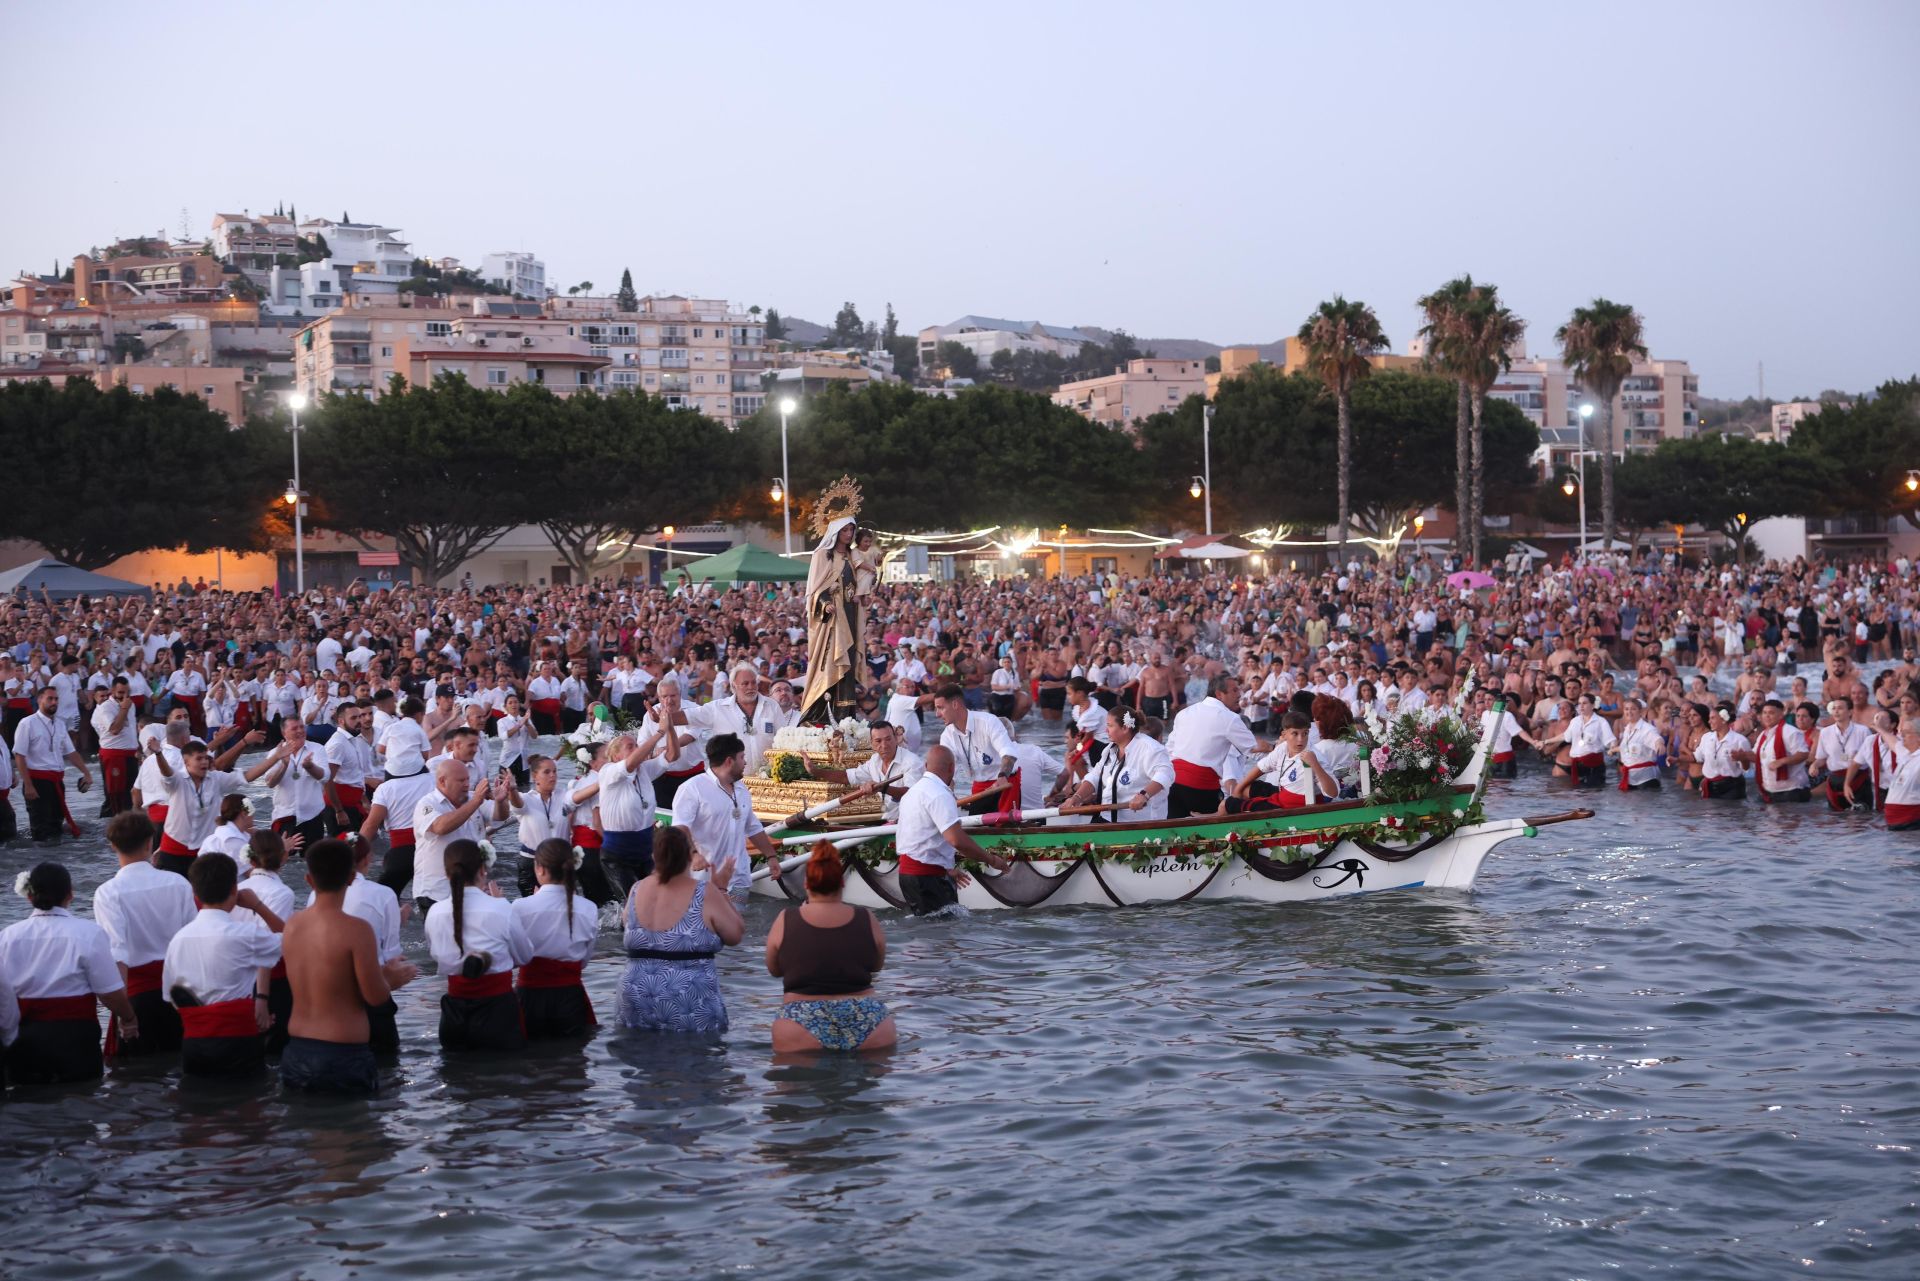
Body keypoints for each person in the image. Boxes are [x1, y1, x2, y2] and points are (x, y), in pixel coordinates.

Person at [282, 837, 417, 1095]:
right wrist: (391, 978)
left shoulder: (293, 926)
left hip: (297, 1050)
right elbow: (374, 996)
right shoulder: (357, 930)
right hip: (342, 1053)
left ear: (309, 880)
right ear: (351, 878)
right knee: (357, 1131)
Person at [1, 862, 139, 1084]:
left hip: (25, 1039)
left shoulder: (7, 937)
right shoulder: (89, 934)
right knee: (82, 1100)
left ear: (29, 896)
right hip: (76, 1038)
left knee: (28, 1103)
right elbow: (109, 993)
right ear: (70, 895)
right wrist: (129, 1018)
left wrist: (8, 1037)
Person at [163, 854, 285, 1078]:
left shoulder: (178, 940)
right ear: (234, 890)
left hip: (194, 1044)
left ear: (196, 894)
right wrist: (258, 906)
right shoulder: (245, 934)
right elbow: (291, 941)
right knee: (247, 1102)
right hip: (237, 1039)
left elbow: (172, 997)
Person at [765, 841, 894, 1053]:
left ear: (807, 884)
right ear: (841, 882)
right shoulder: (866, 918)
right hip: (867, 1018)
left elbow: (774, 969)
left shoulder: (786, 919)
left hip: (800, 1019)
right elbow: (877, 965)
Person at [617, 824, 743, 1033]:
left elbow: (625, 925)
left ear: (654, 856)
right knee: (694, 1059)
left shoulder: (637, 888)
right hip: (687, 998)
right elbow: (735, 934)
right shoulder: (704, 892)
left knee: (640, 1058)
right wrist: (721, 888)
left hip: (635, 995)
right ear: (688, 856)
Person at [90, 812, 196, 1058]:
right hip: (179, 991)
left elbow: (118, 954)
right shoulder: (178, 883)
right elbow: (191, 941)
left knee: (134, 1076)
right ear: (151, 842)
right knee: (178, 1068)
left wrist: (125, 1016)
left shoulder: (108, 892)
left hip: (137, 994)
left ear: (113, 845)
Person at [426, 838, 531, 1052]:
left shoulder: (435, 912)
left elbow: (436, 955)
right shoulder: (501, 908)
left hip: (453, 1014)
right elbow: (524, 957)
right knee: (506, 1076)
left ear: (446, 874)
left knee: (457, 1076)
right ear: (483, 870)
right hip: (497, 1010)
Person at [893, 746, 1013, 916]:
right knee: (943, 934)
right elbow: (956, 840)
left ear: (926, 766)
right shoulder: (940, 794)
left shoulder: (911, 793)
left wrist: (946, 868)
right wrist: (991, 859)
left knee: (929, 934)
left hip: (908, 875)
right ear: (952, 768)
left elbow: (920, 837)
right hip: (926, 877)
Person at [670, 733, 780, 903]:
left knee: (735, 923)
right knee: (703, 925)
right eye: (742, 757)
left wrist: (771, 856)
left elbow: (752, 827)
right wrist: (693, 854)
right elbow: (680, 828)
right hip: (704, 877)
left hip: (739, 879)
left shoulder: (741, 789)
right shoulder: (692, 789)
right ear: (729, 761)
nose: (745, 763)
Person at [145, 729, 270, 875]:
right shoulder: (179, 780)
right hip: (173, 850)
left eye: (206, 758)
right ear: (186, 762)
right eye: (199, 759)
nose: (204, 762)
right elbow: (167, 772)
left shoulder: (215, 779)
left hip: (202, 853)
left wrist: (276, 757)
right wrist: (158, 753)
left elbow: (247, 776)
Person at [512, 838, 599, 1039]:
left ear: (540, 869)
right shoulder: (588, 908)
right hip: (570, 995)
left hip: (530, 997)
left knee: (530, 1061)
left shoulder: (519, 907)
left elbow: (514, 958)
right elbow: (583, 961)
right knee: (573, 1060)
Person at [411, 758, 511, 913]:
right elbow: (441, 827)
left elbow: (500, 816)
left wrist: (500, 801)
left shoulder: (471, 798)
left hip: (470, 889)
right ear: (442, 781)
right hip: (437, 891)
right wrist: (477, 801)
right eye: (461, 780)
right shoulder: (427, 803)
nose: (467, 784)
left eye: (468, 779)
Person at [597, 720, 680, 902]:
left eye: (637, 745)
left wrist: (671, 727)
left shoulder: (643, 770)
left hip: (644, 852)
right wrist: (659, 732)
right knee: (634, 905)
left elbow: (673, 755)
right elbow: (631, 763)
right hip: (617, 856)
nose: (637, 748)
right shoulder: (608, 772)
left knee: (656, 901)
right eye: (630, 746)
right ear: (616, 756)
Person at [1164, 674, 1262, 818]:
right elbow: (1253, 747)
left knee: (1174, 833)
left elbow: (1169, 749)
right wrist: (1275, 748)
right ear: (1219, 694)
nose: (1240, 694)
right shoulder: (1228, 717)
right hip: (1200, 786)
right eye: (1234, 690)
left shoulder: (1184, 713)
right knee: (1210, 835)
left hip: (1174, 784)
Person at [799, 512, 865, 720]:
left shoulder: (852, 556)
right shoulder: (822, 555)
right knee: (831, 664)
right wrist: (825, 603)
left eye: (851, 530)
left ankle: (847, 718)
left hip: (851, 617)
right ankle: (823, 716)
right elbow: (814, 592)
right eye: (844, 530)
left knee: (848, 667)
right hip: (832, 623)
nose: (849, 534)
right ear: (835, 532)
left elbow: (859, 583)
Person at [803, 718, 924, 823]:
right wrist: (816, 771)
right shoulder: (874, 760)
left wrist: (883, 787)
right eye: (878, 741)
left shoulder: (911, 762)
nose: (884, 745)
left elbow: (912, 794)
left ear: (896, 739)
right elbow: (847, 777)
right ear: (872, 744)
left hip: (911, 822)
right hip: (890, 821)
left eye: (888, 739)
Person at [1064, 707, 1175, 819]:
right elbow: (1095, 776)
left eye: (1110, 726)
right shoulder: (1109, 749)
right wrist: (1076, 798)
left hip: (1140, 825)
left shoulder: (1150, 748)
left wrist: (1144, 795)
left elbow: (1165, 774)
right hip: (1106, 817)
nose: (1106, 730)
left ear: (1125, 728)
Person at [13, 686, 93, 841]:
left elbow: (71, 752)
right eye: (50, 698)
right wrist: (28, 785)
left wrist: (87, 772)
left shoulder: (60, 724)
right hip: (37, 782)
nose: (54, 702)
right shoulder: (27, 723)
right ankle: (40, 861)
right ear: (39, 700)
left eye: (56, 699)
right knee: (42, 829)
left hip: (56, 781)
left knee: (56, 824)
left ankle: (57, 860)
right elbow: (19, 756)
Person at [934, 683, 1020, 813]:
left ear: (955, 704)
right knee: (977, 827)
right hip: (979, 786)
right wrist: (948, 793)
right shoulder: (946, 735)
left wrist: (1002, 777)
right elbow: (947, 771)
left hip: (1006, 783)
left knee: (1006, 829)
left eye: (940, 708)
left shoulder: (989, 721)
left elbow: (1009, 753)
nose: (937, 714)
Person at [1229, 711, 1337, 810]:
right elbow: (1261, 767)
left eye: (1305, 733)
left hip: (1295, 807)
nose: (1301, 739)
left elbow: (1333, 793)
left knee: (1226, 805)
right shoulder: (1283, 747)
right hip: (1282, 794)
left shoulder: (1315, 756)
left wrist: (1315, 765)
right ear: (1284, 734)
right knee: (1245, 788)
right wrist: (1238, 789)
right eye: (1295, 733)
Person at [1744, 698, 1812, 804]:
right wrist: (1742, 756)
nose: (1767, 716)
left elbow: (1803, 754)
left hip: (1791, 790)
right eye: (1764, 713)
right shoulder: (1763, 735)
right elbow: (1756, 756)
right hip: (1769, 790)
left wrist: (1781, 761)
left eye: (1771, 713)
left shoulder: (1791, 732)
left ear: (1781, 715)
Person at [91, 677, 140, 817]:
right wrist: (124, 708)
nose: (124, 696)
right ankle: (106, 826)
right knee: (114, 795)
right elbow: (115, 729)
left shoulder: (131, 704)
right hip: (114, 755)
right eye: (120, 692)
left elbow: (131, 730)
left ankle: (128, 823)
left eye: (127, 692)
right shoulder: (105, 707)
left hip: (130, 754)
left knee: (130, 793)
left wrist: (139, 749)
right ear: (112, 691)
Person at [1813, 699, 1869, 810]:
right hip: (1835, 780)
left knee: (1861, 818)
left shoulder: (1863, 731)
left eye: (1840, 708)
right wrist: (1814, 765)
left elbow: (1869, 758)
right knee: (1835, 819)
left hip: (1858, 779)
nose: (1836, 711)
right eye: (1834, 708)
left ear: (1850, 712)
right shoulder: (1825, 732)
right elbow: (1822, 758)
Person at [1696, 704, 1751, 800]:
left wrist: (1743, 759)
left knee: (1730, 814)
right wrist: (1677, 759)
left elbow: (1746, 768)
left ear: (1723, 719)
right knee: (1711, 814)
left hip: (1732, 787)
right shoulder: (1706, 738)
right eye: (1709, 718)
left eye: (1713, 718)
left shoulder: (1739, 740)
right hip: (1711, 786)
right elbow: (1698, 757)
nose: (1709, 721)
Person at [1609, 698, 1666, 791]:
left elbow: (1656, 739)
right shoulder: (1628, 728)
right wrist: (1613, 750)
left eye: (1633, 709)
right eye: (1626, 709)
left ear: (1640, 712)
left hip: (1647, 778)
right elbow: (1626, 747)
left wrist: (1660, 745)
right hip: (1631, 778)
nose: (1629, 712)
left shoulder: (1647, 729)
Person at [1881, 717, 1920, 831]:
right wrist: (1879, 729)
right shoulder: (1904, 753)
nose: (1901, 736)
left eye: (1906, 733)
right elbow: (1891, 741)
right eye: (1901, 732)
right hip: (1895, 821)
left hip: (1912, 820)